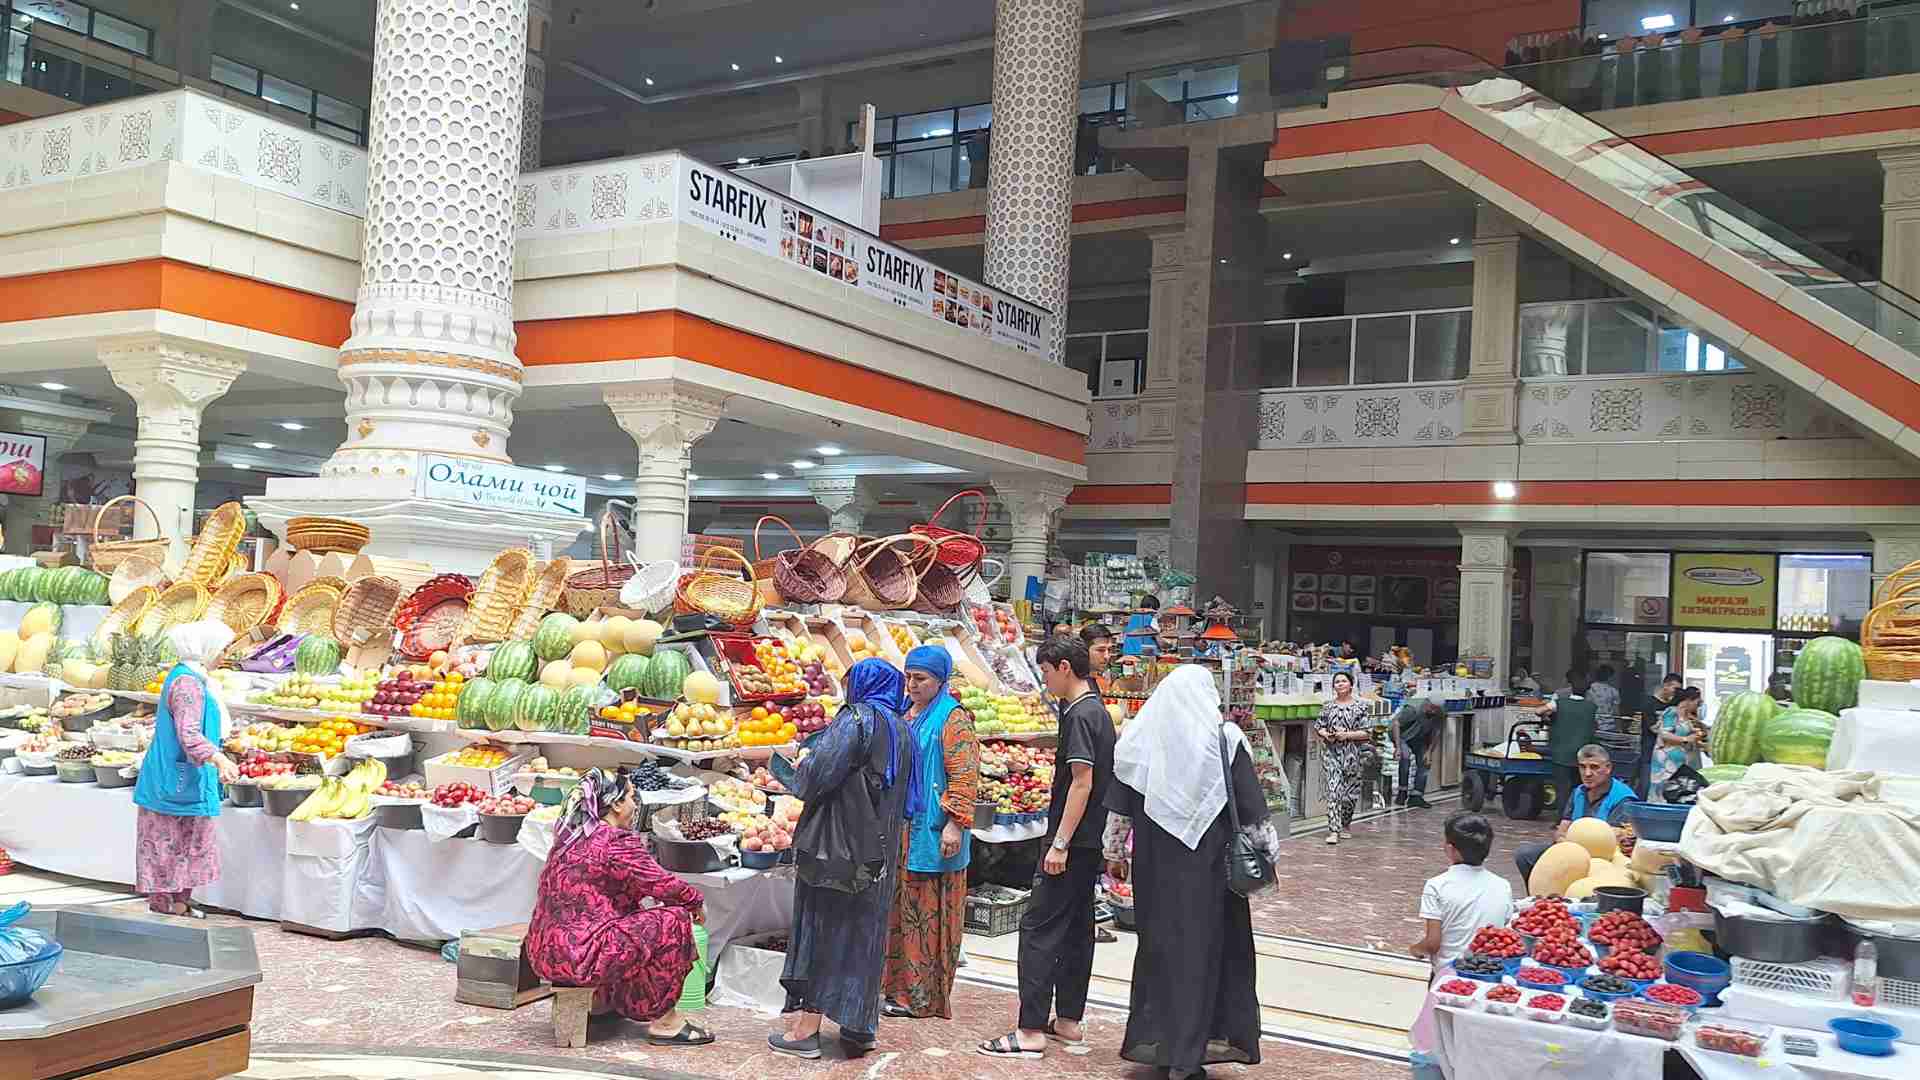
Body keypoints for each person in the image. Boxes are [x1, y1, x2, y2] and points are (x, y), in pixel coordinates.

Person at [1100, 665, 1275, 1078]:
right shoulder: (1224, 740)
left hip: (1156, 875)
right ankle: (1192, 1051)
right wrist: (1268, 858)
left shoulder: (1141, 741)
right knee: (1206, 956)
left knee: (1161, 955)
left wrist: (1114, 856)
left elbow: (1118, 816)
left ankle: (1162, 1044)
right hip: (1211, 877)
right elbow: (1254, 817)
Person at [771, 658, 915, 1060]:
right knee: (865, 935)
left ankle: (805, 1031)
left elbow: (816, 777)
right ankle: (858, 1028)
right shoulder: (901, 727)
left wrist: (790, 767)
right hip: (881, 852)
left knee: (824, 925)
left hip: (839, 849)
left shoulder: (856, 720)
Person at [980, 637, 1114, 1061]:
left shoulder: (1079, 716)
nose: (1044, 680)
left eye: (1046, 672)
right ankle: (1069, 1020)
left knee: (1037, 930)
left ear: (1063, 668)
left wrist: (1059, 843)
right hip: (1090, 840)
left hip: (1071, 843)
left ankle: (1030, 1029)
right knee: (1077, 930)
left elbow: (1082, 782)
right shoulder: (1098, 710)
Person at [525, 768, 710, 1046]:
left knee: (625, 917)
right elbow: (662, 884)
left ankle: (601, 1004)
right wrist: (694, 901)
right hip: (580, 956)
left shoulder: (569, 838)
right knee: (672, 920)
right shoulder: (614, 841)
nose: (636, 806)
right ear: (615, 804)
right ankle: (666, 1022)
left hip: (544, 952)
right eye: (632, 798)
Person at [881, 646, 980, 1021]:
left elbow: (965, 775)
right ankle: (897, 989)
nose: (912, 684)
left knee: (928, 914)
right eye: (908, 676)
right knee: (903, 910)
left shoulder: (952, 719)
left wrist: (956, 823)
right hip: (906, 829)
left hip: (937, 830)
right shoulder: (908, 712)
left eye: (920, 678)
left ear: (940, 681)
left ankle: (922, 998)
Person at [132, 621, 241, 917]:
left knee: (187, 843)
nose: (225, 654)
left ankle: (180, 903)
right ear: (206, 649)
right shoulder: (187, 684)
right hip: (174, 780)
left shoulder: (193, 677)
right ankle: (166, 906)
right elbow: (189, 734)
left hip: (186, 778)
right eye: (222, 648)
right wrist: (218, 758)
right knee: (167, 845)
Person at [1408, 813, 1512, 1080]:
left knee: (1434, 1048)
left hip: (1448, 979)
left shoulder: (1437, 886)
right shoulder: (1503, 886)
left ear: (1450, 849)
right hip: (1490, 977)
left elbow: (1433, 943)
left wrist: (1415, 949)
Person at [1514, 745, 1639, 885]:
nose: (1587, 773)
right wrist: (1562, 842)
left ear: (1608, 768)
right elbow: (1561, 831)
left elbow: (1613, 840)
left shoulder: (1623, 798)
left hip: (1602, 860)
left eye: (1594, 767)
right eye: (1582, 767)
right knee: (1525, 855)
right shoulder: (1578, 792)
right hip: (1572, 850)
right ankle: (1538, 896)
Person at [1315, 670, 1372, 845]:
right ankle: (1333, 830)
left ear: (1351, 685)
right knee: (1334, 792)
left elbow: (1367, 732)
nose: (1340, 684)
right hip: (1332, 754)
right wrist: (1326, 734)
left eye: (1343, 681)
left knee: (1349, 795)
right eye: (1337, 682)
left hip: (1354, 755)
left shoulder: (1360, 707)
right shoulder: (1327, 706)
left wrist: (1346, 735)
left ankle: (1346, 822)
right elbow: (1319, 726)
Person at [1539, 669, 1598, 815]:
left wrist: (1548, 717)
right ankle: (1579, 815)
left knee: (1563, 789)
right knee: (1580, 788)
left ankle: (1562, 818)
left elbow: (1538, 711)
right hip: (1582, 755)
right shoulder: (1591, 707)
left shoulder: (1559, 703)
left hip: (1561, 754)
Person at [1650, 686, 1706, 801]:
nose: (1698, 706)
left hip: (1681, 762)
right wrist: (1686, 739)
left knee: (1678, 792)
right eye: (1697, 703)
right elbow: (1664, 734)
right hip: (1666, 761)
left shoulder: (1689, 717)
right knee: (1663, 792)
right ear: (1688, 700)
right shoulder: (1672, 712)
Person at [1391, 697, 1445, 809]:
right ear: (1427, 704)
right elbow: (1396, 724)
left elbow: (1437, 732)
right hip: (1402, 736)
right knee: (1405, 758)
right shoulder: (1413, 709)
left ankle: (1416, 796)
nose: (1434, 712)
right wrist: (1398, 747)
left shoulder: (1439, 713)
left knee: (1425, 763)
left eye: (1437, 710)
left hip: (1419, 737)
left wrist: (1429, 752)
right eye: (1432, 708)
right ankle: (1402, 792)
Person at [1637, 672, 1683, 797]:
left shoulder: (1673, 705)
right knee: (1647, 785)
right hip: (1650, 749)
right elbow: (1653, 728)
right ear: (1665, 686)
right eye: (1675, 688)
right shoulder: (1649, 703)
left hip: (1667, 754)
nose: (1676, 692)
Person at [1080, 622, 1115, 694]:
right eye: (1101, 650)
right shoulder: (1074, 684)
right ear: (1084, 650)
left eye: (1109, 650)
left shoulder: (1101, 682)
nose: (1107, 656)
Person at [1589, 664, 1621, 735]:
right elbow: (1616, 712)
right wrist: (1619, 728)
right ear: (1610, 677)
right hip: (1609, 726)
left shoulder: (1589, 689)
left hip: (1592, 725)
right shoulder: (1613, 691)